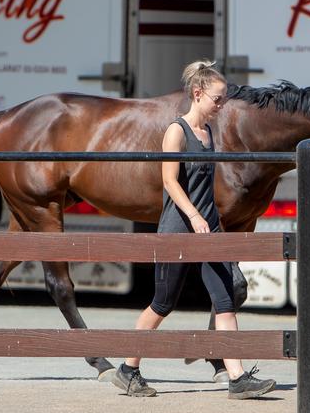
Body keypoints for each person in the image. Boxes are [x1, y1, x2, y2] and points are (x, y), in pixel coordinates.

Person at [111, 60, 276, 399]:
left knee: (225, 300)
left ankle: (238, 378)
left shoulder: (208, 132)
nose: (221, 105)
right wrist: (194, 216)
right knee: (162, 303)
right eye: (218, 99)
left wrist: (210, 219)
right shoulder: (177, 131)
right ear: (198, 94)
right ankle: (128, 369)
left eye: (224, 99)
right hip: (179, 228)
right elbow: (169, 182)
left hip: (209, 228)